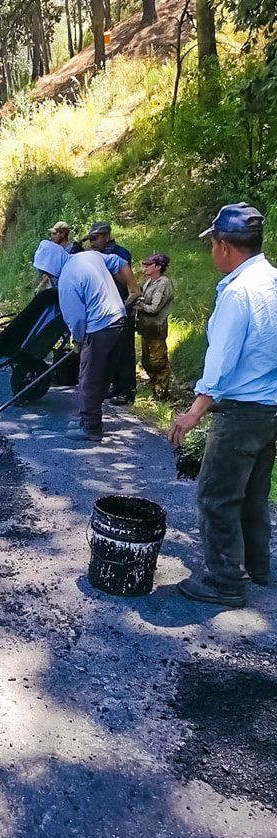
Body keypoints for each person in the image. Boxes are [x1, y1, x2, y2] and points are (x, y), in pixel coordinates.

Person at [168, 203, 277, 608]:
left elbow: (223, 357)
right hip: (269, 411)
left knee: (216, 494)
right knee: (252, 492)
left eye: (212, 244)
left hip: (241, 412)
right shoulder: (273, 281)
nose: (211, 252)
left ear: (225, 246)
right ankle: (257, 567)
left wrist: (195, 411)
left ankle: (225, 581)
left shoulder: (238, 292)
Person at [33, 239, 137, 442]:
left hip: (100, 326)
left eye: (47, 272)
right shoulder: (88, 256)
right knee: (103, 373)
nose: (49, 277)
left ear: (52, 267)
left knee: (89, 376)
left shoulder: (66, 282)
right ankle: (88, 418)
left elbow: (77, 319)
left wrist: (78, 342)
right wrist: (134, 288)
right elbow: (120, 262)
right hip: (119, 319)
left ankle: (90, 427)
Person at [87, 221, 136, 404]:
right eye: (90, 239)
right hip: (105, 308)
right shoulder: (95, 255)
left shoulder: (120, 254)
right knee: (111, 351)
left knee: (125, 351)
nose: (92, 243)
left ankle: (127, 390)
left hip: (123, 305)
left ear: (107, 237)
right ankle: (115, 385)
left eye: (96, 238)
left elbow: (124, 278)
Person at [135, 253, 174, 400]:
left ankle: (161, 393)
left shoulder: (163, 283)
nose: (144, 267)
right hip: (146, 327)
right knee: (147, 361)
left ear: (158, 267)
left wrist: (138, 304)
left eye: (148, 265)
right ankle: (153, 388)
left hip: (156, 327)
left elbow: (154, 308)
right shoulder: (148, 282)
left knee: (159, 362)